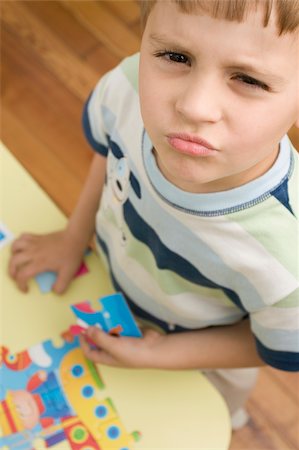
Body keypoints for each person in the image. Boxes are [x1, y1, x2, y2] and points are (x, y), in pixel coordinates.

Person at [9, 0, 299, 429]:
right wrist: (74, 237)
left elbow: (272, 344)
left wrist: (158, 355)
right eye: (175, 57)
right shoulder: (127, 86)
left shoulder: (288, 251)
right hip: (114, 294)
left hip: (204, 364)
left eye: (249, 79)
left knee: (208, 420)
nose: (194, 107)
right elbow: (110, 153)